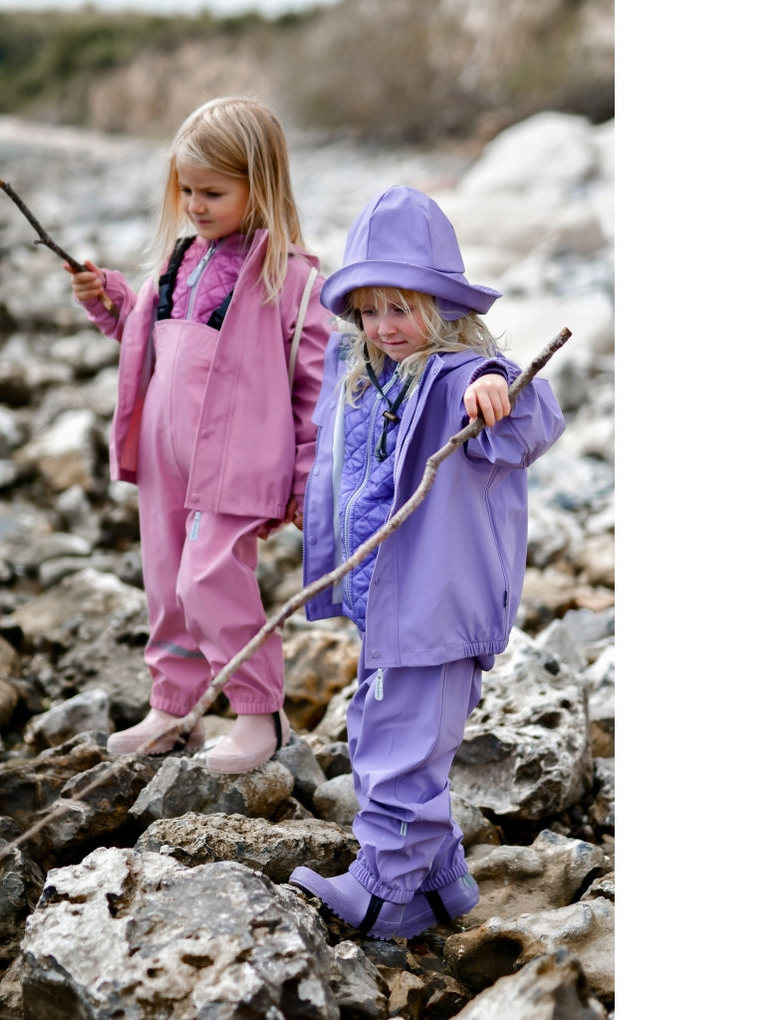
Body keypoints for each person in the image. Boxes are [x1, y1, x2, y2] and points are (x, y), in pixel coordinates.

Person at [289, 186, 565, 938]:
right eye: (369, 311)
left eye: (400, 309)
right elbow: (338, 465)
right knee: (379, 726)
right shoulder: (362, 375)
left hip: (438, 605)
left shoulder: (460, 378)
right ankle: (440, 882)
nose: (384, 327)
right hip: (383, 600)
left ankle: (387, 890)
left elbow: (531, 415)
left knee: (399, 745)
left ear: (441, 307)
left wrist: (494, 386)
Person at [66, 96, 327, 773]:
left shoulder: (290, 276)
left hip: (236, 461)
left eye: (213, 193)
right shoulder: (180, 261)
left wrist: (305, 477)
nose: (195, 205)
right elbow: (146, 336)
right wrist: (110, 300)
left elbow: (316, 384)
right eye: (187, 191)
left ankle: (258, 712)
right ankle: (173, 708)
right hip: (165, 454)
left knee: (209, 579)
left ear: (259, 185)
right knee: (165, 582)